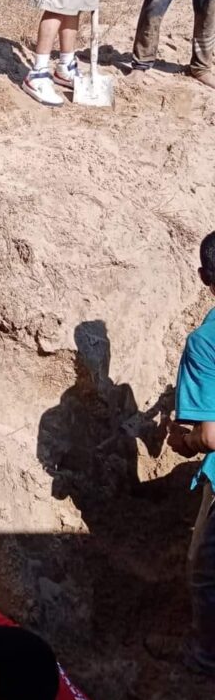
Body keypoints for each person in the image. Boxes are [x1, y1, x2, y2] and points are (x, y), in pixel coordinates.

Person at [165, 230, 215, 674]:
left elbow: (212, 436)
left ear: (203, 277)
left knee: (203, 569)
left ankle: (205, 657)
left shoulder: (205, 342)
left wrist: (182, 441)